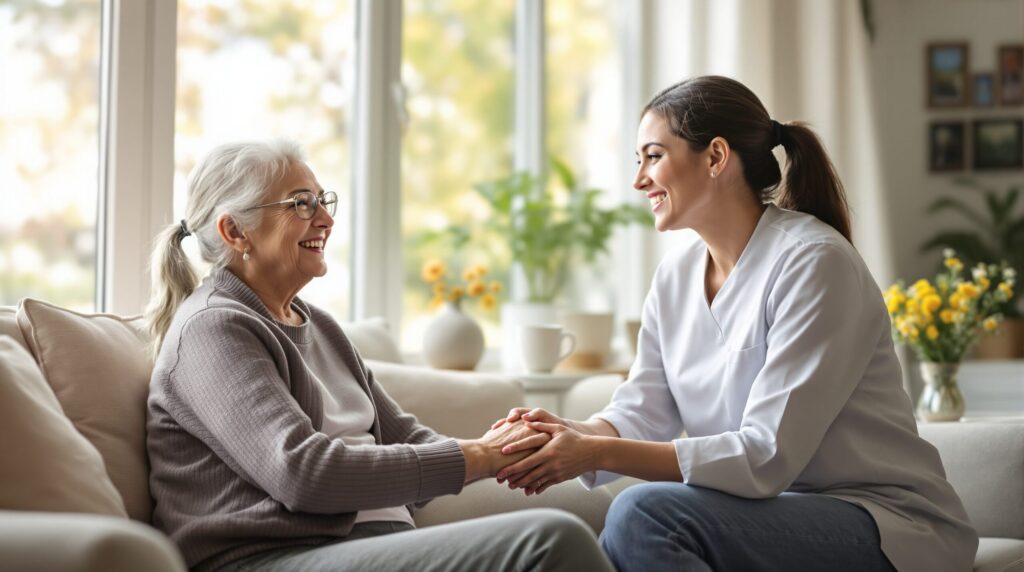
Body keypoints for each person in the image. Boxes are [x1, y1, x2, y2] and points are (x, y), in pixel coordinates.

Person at [492, 76, 978, 572]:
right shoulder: (675, 278)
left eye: (653, 156)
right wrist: (565, 433)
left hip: (884, 522)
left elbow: (765, 454)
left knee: (647, 514)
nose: (639, 180)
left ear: (716, 157)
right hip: (768, 512)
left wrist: (595, 451)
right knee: (641, 515)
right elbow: (644, 410)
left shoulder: (814, 262)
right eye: (637, 161)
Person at [145, 140, 614, 572]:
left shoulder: (318, 324)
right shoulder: (212, 329)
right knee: (550, 541)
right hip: (273, 558)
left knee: (593, 514)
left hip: (364, 546)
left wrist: (514, 445)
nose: (325, 220)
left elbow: (405, 435)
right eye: (300, 204)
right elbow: (304, 473)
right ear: (234, 230)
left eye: (322, 201)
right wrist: (480, 456)